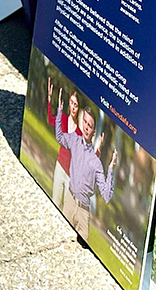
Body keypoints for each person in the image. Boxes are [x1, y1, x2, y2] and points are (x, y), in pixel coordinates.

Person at [54, 96, 116, 240]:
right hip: (69, 202)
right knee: (61, 237)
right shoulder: (74, 140)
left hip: (83, 211)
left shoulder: (96, 162)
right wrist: (59, 111)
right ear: (82, 124)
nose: (87, 127)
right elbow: (59, 137)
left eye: (90, 125)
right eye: (86, 123)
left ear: (94, 131)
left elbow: (106, 196)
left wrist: (111, 169)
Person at [45, 81, 88, 208]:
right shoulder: (62, 119)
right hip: (60, 167)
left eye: (76, 105)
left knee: (66, 209)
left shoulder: (79, 133)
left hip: (70, 176)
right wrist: (49, 100)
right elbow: (50, 120)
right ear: (68, 103)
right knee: (55, 202)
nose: (73, 107)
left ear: (79, 107)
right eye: (72, 103)